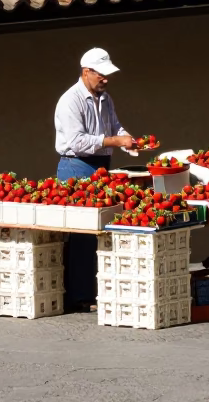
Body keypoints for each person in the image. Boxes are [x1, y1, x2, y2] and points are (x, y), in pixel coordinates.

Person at [53, 48, 135, 312]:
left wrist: (128, 140)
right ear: (86, 72)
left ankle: (91, 290)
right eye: (101, 74)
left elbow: (115, 127)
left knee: (99, 231)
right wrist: (114, 141)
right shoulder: (70, 101)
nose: (106, 79)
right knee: (81, 234)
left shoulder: (105, 99)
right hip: (76, 166)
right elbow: (77, 141)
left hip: (100, 166)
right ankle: (79, 295)